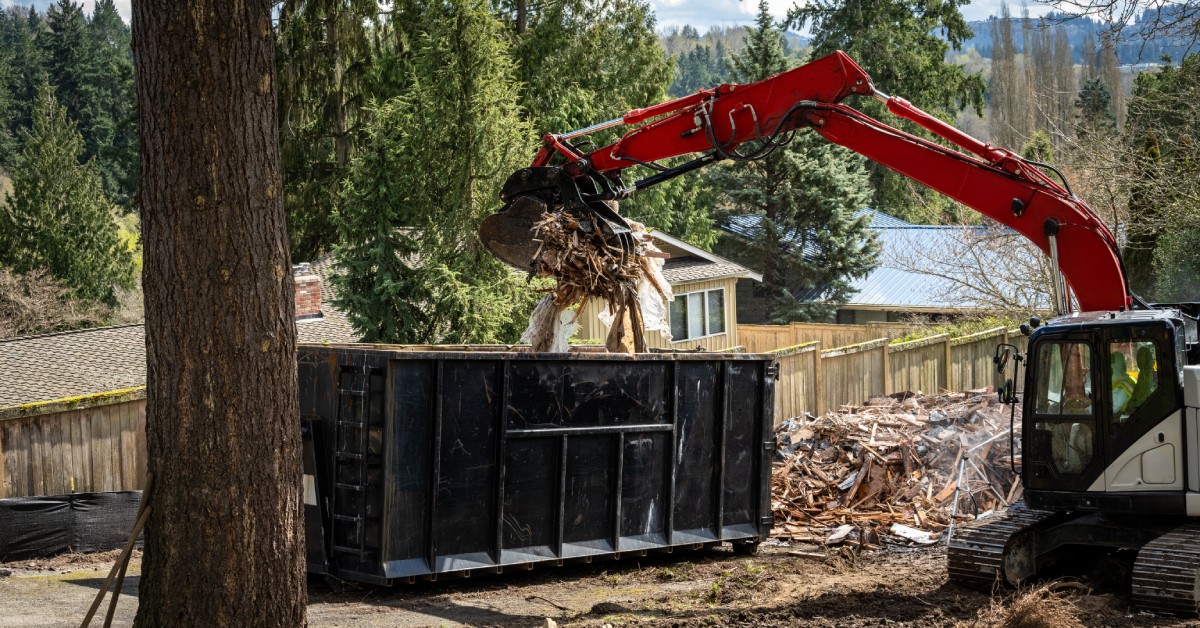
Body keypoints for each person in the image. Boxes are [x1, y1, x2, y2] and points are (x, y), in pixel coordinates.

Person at [1111, 351, 1136, 419]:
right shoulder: (1117, 382)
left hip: (1120, 418)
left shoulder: (1124, 384)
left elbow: (1113, 407)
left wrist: (1088, 411)